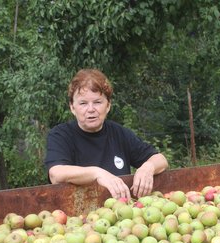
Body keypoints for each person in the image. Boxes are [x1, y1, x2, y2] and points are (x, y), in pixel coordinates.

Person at [44, 68, 169, 199]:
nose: (91, 109)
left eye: (97, 102)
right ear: (72, 107)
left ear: (108, 105)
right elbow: (56, 174)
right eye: (83, 103)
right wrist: (97, 173)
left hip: (121, 213)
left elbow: (161, 160)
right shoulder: (61, 135)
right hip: (78, 215)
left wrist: (148, 167)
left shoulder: (119, 133)